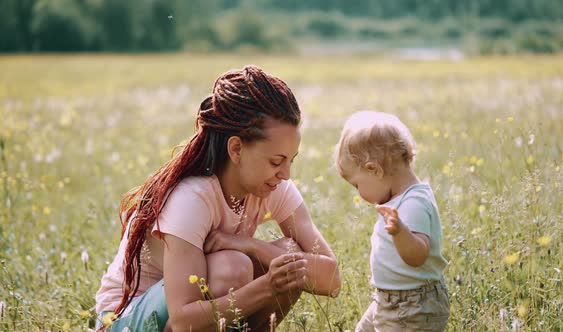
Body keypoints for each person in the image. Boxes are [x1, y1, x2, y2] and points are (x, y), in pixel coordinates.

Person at [95, 65, 341, 331]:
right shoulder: (192, 199)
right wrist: (268, 285)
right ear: (236, 149)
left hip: (185, 314)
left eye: (290, 161)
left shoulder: (273, 185)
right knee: (233, 266)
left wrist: (250, 245)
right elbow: (182, 320)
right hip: (125, 319)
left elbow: (332, 279)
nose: (285, 174)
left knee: (290, 255)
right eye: (276, 161)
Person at [334, 111, 449, 331]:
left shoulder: (414, 203)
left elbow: (418, 255)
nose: (358, 193)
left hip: (413, 305)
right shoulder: (399, 200)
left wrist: (399, 232)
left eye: (357, 185)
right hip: (389, 300)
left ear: (374, 169)